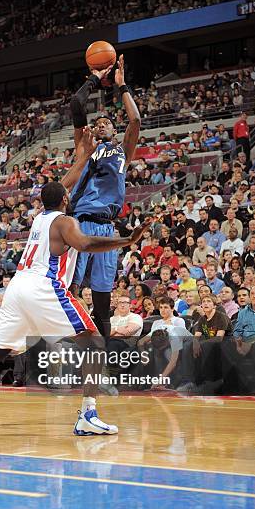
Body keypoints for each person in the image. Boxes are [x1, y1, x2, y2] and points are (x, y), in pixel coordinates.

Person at [0, 179, 144, 434]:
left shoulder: (39, 218)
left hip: (17, 288)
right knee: (95, 343)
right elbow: (86, 244)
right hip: (43, 287)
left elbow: (60, 186)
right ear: (65, 200)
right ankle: (88, 414)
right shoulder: (66, 222)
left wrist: (83, 151)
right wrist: (126, 240)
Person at [65, 54, 141, 338]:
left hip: (107, 227)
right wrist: (96, 77)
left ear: (114, 130)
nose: (100, 124)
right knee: (70, 291)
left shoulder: (123, 151)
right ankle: (67, 354)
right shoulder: (85, 149)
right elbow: (75, 104)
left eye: (106, 122)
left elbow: (135, 120)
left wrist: (121, 85)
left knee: (101, 299)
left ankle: (104, 362)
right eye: (96, 123)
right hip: (80, 223)